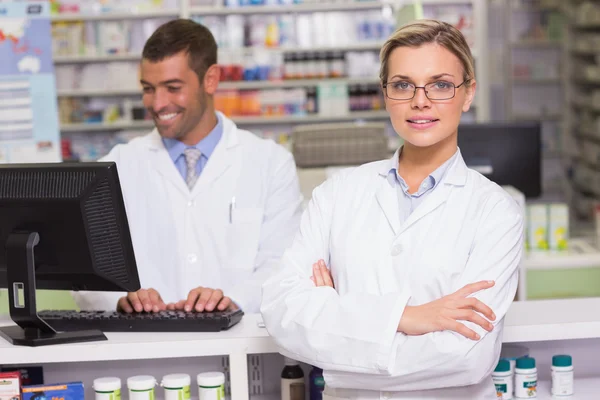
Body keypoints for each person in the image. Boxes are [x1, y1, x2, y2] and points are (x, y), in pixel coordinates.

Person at [261, 19, 524, 399]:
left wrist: (338, 340)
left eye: (440, 84)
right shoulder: (337, 194)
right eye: (402, 85)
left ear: (468, 94)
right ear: (385, 94)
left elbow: (466, 355)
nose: (420, 100)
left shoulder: (496, 211)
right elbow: (282, 313)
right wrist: (407, 317)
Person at [73, 19, 303, 314]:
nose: (157, 104)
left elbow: (283, 265)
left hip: (238, 348)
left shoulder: (271, 163)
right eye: (148, 88)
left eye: (172, 88)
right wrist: (119, 298)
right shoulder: (115, 167)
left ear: (210, 79)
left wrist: (232, 300)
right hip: (142, 351)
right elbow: (86, 273)